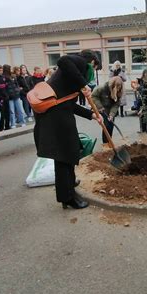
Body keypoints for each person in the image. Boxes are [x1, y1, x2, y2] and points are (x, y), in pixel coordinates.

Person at [34, 50, 102, 210]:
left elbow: (69, 104)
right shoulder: (77, 62)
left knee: (70, 151)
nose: (92, 72)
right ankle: (67, 197)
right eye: (94, 67)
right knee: (64, 154)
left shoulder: (70, 78)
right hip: (55, 118)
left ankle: (69, 183)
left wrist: (92, 115)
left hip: (59, 115)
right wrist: (83, 85)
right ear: (92, 62)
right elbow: (63, 60)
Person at [92, 76, 124, 145]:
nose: (118, 90)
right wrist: (99, 106)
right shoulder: (102, 88)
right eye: (117, 88)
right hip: (103, 108)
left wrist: (112, 114)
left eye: (119, 88)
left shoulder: (120, 90)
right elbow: (94, 96)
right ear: (112, 86)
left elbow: (116, 104)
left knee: (111, 125)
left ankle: (110, 142)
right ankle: (105, 143)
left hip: (111, 108)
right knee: (106, 126)